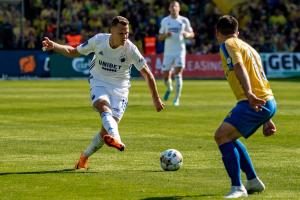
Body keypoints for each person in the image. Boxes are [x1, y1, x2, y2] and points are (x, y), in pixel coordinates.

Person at [42, 16, 164, 169]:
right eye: (121, 33)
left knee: (105, 130)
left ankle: (84, 157)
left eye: (127, 33)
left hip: (121, 88)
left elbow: (147, 73)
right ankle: (117, 139)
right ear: (111, 31)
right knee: (103, 106)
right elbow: (73, 51)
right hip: (99, 82)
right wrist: (54, 45)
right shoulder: (99, 40)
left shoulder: (131, 49)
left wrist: (156, 98)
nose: (125, 37)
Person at [214, 15, 277, 198]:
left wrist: (249, 93)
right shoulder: (249, 48)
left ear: (217, 32)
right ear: (237, 32)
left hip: (252, 100)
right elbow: (260, 78)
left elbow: (239, 67)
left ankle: (237, 187)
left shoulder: (228, 45)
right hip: (266, 101)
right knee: (230, 137)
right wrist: (268, 117)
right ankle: (252, 181)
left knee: (221, 136)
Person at [158, 0, 194, 106]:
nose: (174, 8)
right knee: (165, 75)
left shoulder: (184, 20)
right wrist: (165, 35)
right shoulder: (165, 21)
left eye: (176, 6)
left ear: (179, 8)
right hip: (168, 52)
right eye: (172, 6)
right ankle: (169, 88)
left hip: (180, 51)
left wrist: (187, 35)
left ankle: (176, 99)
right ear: (169, 9)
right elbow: (160, 37)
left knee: (178, 73)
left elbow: (192, 34)